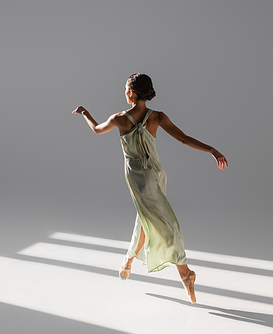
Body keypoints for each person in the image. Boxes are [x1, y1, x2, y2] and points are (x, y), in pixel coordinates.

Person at [72, 73, 228, 303]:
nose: (124, 92)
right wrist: (212, 149)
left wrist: (85, 113)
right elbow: (184, 139)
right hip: (155, 175)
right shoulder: (157, 116)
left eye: (126, 88)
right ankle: (176, 272)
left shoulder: (119, 119)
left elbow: (96, 129)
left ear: (132, 92)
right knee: (152, 220)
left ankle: (163, 268)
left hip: (141, 178)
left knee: (159, 222)